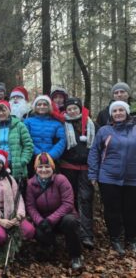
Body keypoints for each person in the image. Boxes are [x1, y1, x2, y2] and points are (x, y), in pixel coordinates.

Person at [88, 101, 136, 255]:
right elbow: (94, 152)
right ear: (111, 114)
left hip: (132, 177)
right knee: (112, 210)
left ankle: (131, 239)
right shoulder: (104, 130)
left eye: (121, 110)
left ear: (127, 112)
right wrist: (93, 174)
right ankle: (115, 239)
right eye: (114, 111)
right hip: (108, 177)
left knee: (131, 210)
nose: (118, 113)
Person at [26, 153, 82, 270]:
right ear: (36, 169)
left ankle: (75, 255)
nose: (44, 170)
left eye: (47, 167)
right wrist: (40, 221)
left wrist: (51, 220)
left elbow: (68, 203)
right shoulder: (31, 184)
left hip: (62, 218)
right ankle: (49, 246)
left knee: (70, 221)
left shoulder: (61, 180)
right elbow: (30, 206)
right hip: (44, 219)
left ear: (52, 168)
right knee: (36, 229)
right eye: (40, 167)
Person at [59, 98, 96, 249]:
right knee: (70, 200)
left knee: (86, 200)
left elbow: (97, 146)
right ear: (65, 111)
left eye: (75, 108)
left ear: (80, 109)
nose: (72, 111)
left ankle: (86, 235)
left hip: (86, 169)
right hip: (68, 168)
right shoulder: (62, 125)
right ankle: (72, 232)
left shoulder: (90, 124)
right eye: (70, 109)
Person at [0, 100, 33, 180]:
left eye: (3, 110)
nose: (1, 113)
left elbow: (28, 145)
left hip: (15, 164)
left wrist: (22, 161)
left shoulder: (19, 125)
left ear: (9, 111)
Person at [24, 95, 66, 176]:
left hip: (52, 159)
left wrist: (50, 155)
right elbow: (26, 140)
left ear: (49, 106)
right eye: (39, 104)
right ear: (35, 107)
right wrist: (38, 154)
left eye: (45, 104)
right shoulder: (28, 122)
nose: (42, 106)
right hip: (32, 158)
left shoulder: (57, 123)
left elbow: (61, 141)